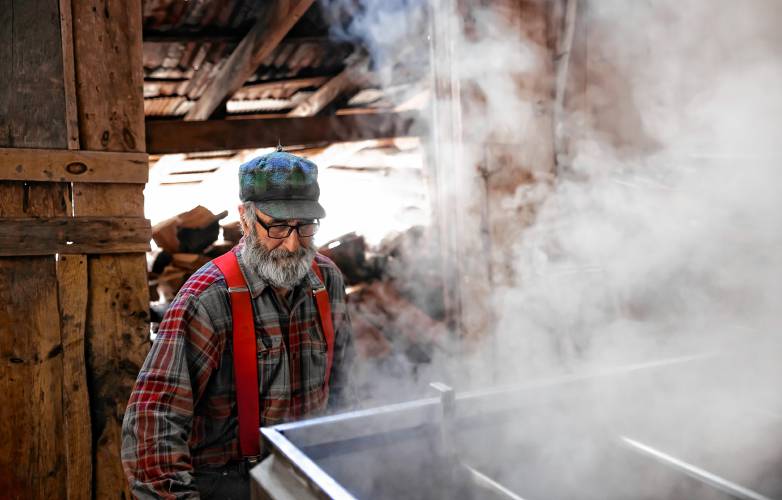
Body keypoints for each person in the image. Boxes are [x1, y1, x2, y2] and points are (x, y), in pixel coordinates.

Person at [121, 150, 355, 499]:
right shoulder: (207, 300)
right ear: (245, 219)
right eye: (276, 226)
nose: (292, 243)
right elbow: (153, 425)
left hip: (309, 469)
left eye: (305, 226)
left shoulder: (328, 282)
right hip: (229, 482)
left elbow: (345, 384)